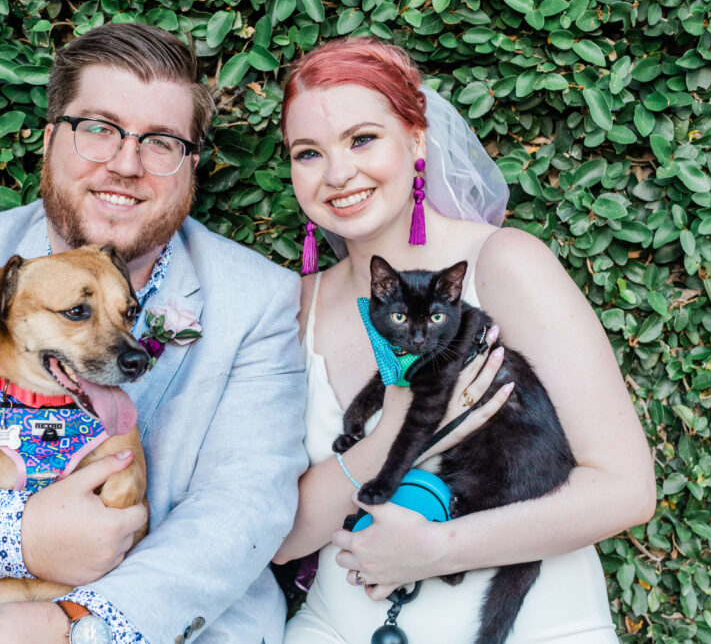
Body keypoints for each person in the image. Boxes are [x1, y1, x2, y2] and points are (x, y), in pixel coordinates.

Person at [0, 23, 309, 644]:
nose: (126, 164)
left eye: (161, 142)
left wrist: (72, 624)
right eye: (98, 129)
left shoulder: (257, 299)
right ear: (51, 139)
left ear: (190, 166)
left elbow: (243, 511)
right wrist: (21, 540)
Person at [272, 38, 657, 642]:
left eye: (362, 138)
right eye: (308, 152)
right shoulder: (295, 307)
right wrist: (393, 427)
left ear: (417, 139)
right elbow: (280, 537)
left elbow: (626, 489)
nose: (338, 173)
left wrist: (439, 550)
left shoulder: (504, 266)